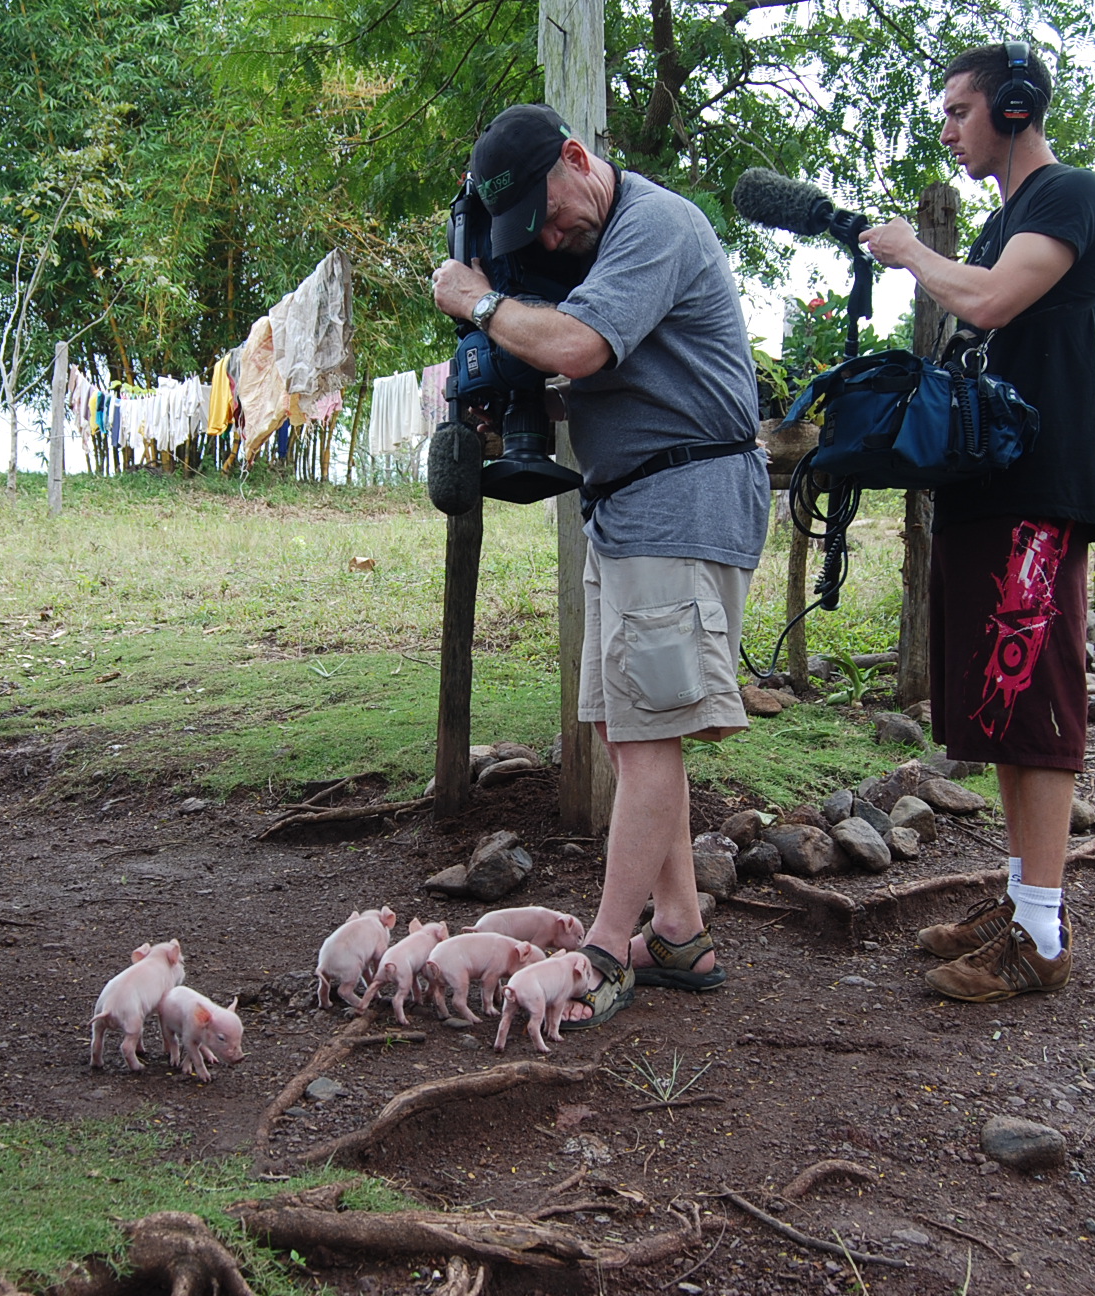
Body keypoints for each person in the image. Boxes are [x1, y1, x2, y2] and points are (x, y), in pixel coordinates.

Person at [431, 104, 769, 1028]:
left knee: (650, 737)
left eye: (546, 214)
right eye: (526, 236)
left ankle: (604, 954)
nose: (547, 238)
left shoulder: (655, 224)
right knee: (631, 733)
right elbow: (606, 378)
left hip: (684, 502)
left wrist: (481, 302)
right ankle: (679, 933)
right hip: (628, 506)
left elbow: (578, 347)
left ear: (579, 160)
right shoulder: (593, 246)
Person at [860, 43, 1095, 1001]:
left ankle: (1042, 938)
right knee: (1004, 710)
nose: (947, 128)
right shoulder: (1006, 218)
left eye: (960, 110)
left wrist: (911, 252)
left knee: (1037, 698)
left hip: (1039, 494)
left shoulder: (1071, 196)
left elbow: (994, 297)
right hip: (993, 489)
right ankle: (1020, 901)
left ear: (1013, 108)